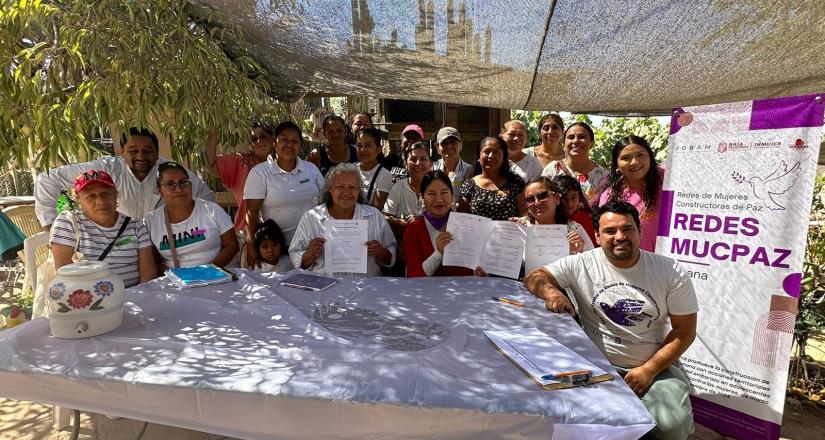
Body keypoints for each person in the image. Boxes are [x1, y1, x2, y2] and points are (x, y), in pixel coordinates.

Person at [524, 201, 698, 440]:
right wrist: (553, 292)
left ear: (639, 231)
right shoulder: (581, 263)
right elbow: (535, 277)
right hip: (596, 365)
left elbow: (685, 330)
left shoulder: (669, 271)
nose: (620, 237)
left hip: (653, 366)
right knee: (563, 417)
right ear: (596, 236)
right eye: (610, 231)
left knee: (672, 427)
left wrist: (648, 369)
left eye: (627, 229)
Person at [35, 127, 215, 229]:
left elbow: (205, 197)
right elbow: (47, 179)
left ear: (157, 152)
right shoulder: (105, 169)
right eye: (133, 151)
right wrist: (49, 224)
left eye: (147, 151)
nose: (141, 156)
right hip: (119, 245)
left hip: (162, 243)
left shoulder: (171, 171)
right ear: (122, 152)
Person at [50, 170, 156, 288]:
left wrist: (142, 297)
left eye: (106, 194)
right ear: (79, 199)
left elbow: (148, 271)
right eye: (91, 196)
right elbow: (64, 271)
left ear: (115, 194)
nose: (100, 201)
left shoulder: (136, 225)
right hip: (88, 298)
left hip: (134, 296)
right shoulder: (69, 222)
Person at [289, 163, 396, 277]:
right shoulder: (311, 217)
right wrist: (309, 254)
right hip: (325, 288)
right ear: (330, 189)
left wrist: (380, 252)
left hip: (366, 288)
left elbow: (391, 255)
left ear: (359, 190)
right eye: (340, 187)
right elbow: (294, 255)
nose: (346, 192)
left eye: (352, 187)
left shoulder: (375, 216)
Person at [243, 121, 325, 268]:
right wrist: (250, 245)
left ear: (300, 145)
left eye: (295, 141)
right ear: (274, 143)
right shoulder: (260, 173)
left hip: (310, 246)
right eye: (284, 140)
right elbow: (251, 213)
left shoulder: (311, 169)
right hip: (275, 249)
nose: (289, 145)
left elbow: (326, 203)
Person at [144, 162, 238, 269]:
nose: (178, 189)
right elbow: (152, 260)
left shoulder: (211, 210)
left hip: (216, 275)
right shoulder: (151, 221)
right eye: (169, 184)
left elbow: (232, 246)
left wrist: (207, 271)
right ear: (159, 190)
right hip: (177, 282)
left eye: (183, 182)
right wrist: (174, 276)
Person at [404, 171, 484, 277]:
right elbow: (413, 275)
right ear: (423, 198)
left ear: (452, 196)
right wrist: (438, 253)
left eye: (444, 193)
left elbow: (472, 269)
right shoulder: (413, 230)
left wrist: (479, 272)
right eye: (432, 194)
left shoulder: (467, 226)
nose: (439, 199)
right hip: (427, 292)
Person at [203, 123, 275, 231]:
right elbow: (208, 164)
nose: (259, 141)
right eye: (254, 139)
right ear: (250, 145)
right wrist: (215, 129)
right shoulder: (241, 162)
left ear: (273, 140)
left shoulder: (285, 162)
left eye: (263, 136)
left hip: (280, 233)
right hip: (248, 232)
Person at [599, 135, 664, 252]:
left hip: (667, 265)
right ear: (616, 164)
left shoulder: (668, 184)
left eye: (640, 155)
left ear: (650, 156)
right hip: (627, 265)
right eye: (626, 158)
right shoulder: (609, 197)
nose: (634, 162)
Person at [512, 177, 593, 252]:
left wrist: (580, 249)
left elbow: (590, 261)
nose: (537, 203)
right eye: (530, 199)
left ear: (556, 198)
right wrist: (510, 235)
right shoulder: (520, 227)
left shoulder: (574, 229)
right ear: (526, 205)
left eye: (542, 196)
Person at [458, 136, 526, 221]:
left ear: (503, 157)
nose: (491, 156)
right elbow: (461, 219)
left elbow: (525, 214)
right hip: (478, 234)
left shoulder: (515, 182)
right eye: (486, 151)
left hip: (508, 233)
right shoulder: (469, 185)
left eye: (496, 152)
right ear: (479, 156)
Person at [541, 122, 609, 205]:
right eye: (571, 137)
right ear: (563, 144)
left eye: (582, 137)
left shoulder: (604, 176)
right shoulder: (552, 169)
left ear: (592, 144)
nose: (576, 141)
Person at [432, 127, 473, 208]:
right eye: (444, 143)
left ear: (460, 145)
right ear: (437, 147)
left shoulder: (468, 170)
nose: (449, 146)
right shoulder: (432, 168)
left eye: (453, 142)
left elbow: (467, 202)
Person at [551, 174, 597, 246]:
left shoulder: (588, 220)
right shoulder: (550, 219)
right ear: (556, 198)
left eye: (573, 197)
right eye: (564, 198)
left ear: (579, 197)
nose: (569, 203)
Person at [355, 128, 393, 210]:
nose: (362, 150)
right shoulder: (350, 170)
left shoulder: (384, 175)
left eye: (368, 145)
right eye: (359, 145)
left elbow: (377, 209)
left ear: (378, 149)